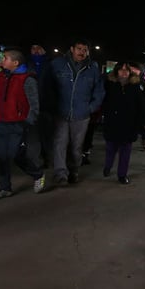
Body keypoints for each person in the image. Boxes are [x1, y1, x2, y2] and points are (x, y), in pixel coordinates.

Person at [41, 38, 104, 185]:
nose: (82, 52)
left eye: (85, 50)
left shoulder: (93, 68)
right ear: (72, 49)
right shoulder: (57, 65)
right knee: (60, 143)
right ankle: (60, 174)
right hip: (60, 113)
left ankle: (74, 170)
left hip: (82, 115)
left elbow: (99, 92)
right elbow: (47, 86)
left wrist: (90, 108)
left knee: (76, 147)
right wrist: (51, 105)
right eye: (79, 48)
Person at [0, 47, 45, 200]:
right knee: (1, 156)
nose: (2, 60)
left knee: (15, 155)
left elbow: (34, 104)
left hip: (18, 124)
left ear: (15, 62)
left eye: (5, 58)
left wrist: (27, 122)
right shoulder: (2, 76)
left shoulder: (27, 79)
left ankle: (37, 174)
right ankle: (4, 188)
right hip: (1, 122)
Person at [101, 61, 145, 184]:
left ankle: (122, 174)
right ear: (116, 71)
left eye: (127, 70)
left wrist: (140, 124)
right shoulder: (110, 84)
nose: (124, 72)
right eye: (121, 69)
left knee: (125, 152)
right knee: (111, 149)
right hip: (112, 123)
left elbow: (141, 106)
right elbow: (105, 102)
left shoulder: (135, 87)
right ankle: (108, 166)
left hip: (129, 124)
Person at [29, 44, 55, 168]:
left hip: (47, 105)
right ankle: (35, 160)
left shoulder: (51, 64)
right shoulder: (27, 64)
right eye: (33, 48)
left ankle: (46, 157)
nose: (36, 51)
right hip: (30, 105)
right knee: (33, 135)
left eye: (39, 47)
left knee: (46, 134)